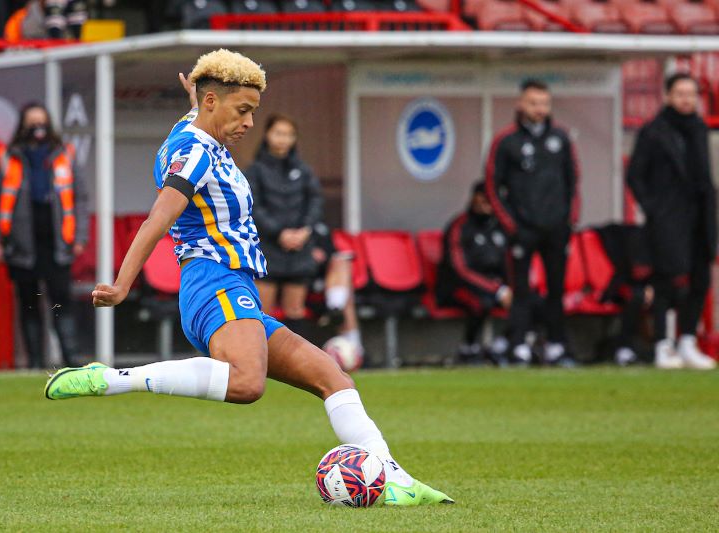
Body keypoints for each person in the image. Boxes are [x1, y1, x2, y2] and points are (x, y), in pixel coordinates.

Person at [43, 49, 452, 506]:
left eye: (254, 111)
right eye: (243, 110)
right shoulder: (195, 150)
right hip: (212, 279)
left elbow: (194, 117)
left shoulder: (192, 132)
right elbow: (157, 219)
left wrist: (195, 102)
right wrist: (121, 284)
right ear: (213, 101)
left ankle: (392, 477)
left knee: (333, 378)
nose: (250, 123)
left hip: (236, 288)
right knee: (246, 384)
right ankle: (113, 378)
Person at [484, 79, 580, 367]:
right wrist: (510, 224)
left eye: (544, 104)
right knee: (521, 291)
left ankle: (556, 345)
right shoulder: (507, 141)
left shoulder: (561, 139)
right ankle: (518, 345)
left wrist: (569, 221)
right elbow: (492, 185)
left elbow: (573, 182)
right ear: (520, 104)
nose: (540, 109)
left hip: (555, 229)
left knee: (555, 289)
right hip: (522, 230)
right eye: (534, 103)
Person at [0, 102, 88, 369]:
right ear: (22, 126)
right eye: (32, 123)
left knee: (61, 301)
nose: (37, 129)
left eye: (41, 122)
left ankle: (71, 360)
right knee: (29, 304)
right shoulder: (8, 156)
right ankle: (34, 364)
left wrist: (80, 237)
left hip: (58, 242)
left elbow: (79, 198)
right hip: (21, 244)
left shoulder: (63, 153)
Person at [626, 73, 717, 370]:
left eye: (691, 94)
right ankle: (662, 344)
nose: (686, 99)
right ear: (667, 96)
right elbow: (635, 176)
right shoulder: (654, 132)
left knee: (700, 279)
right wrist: (655, 208)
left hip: (700, 216)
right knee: (666, 282)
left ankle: (688, 341)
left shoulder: (700, 130)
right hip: (667, 218)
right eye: (680, 93)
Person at [246, 114, 324, 338]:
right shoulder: (255, 170)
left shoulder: (304, 170)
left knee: (295, 311)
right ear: (267, 135)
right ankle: (259, 364)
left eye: (289, 135)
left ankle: (297, 366)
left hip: (299, 250)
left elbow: (315, 201)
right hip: (268, 249)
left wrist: (305, 231)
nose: (283, 139)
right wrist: (279, 233)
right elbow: (254, 207)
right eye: (278, 133)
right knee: (262, 312)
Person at [437, 182, 511, 365]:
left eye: (491, 198)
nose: (487, 202)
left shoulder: (499, 226)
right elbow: (459, 269)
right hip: (457, 286)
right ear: (474, 198)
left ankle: (505, 346)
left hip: (493, 286)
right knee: (480, 302)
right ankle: (468, 348)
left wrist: (509, 288)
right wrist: (497, 290)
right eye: (483, 197)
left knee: (529, 300)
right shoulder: (459, 226)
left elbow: (509, 262)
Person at [596, 223, 654, 366]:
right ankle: (625, 347)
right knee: (637, 297)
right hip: (613, 288)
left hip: (644, 288)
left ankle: (663, 347)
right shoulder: (625, 247)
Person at [309, 221, 364, 355]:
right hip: (297, 279)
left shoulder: (319, 228)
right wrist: (306, 253)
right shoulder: (279, 226)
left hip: (324, 283)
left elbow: (331, 252)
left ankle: (334, 308)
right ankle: (357, 350)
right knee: (346, 297)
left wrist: (323, 256)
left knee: (342, 261)